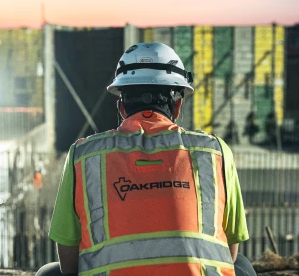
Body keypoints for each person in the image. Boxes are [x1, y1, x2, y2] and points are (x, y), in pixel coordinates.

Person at [36, 42, 256, 276]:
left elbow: (68, 261)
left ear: (121, 107)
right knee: (241, 265)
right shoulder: (215, 153)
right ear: (178, 105)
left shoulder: (83, 157)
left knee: (48, 273)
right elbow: (229, 253)